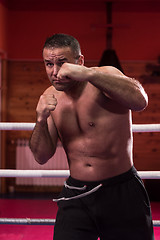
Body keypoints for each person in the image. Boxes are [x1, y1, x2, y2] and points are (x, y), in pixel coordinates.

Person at [29, 33, 154, 240]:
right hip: (77, 194)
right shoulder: (50, 97)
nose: (55, 71)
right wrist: (40, 120)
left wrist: (88, 74)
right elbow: (41, 157)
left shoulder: (103, 77)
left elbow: (140, 101)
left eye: (62, 63)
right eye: (49, 64)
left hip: (121, 191)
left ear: (80, 61)